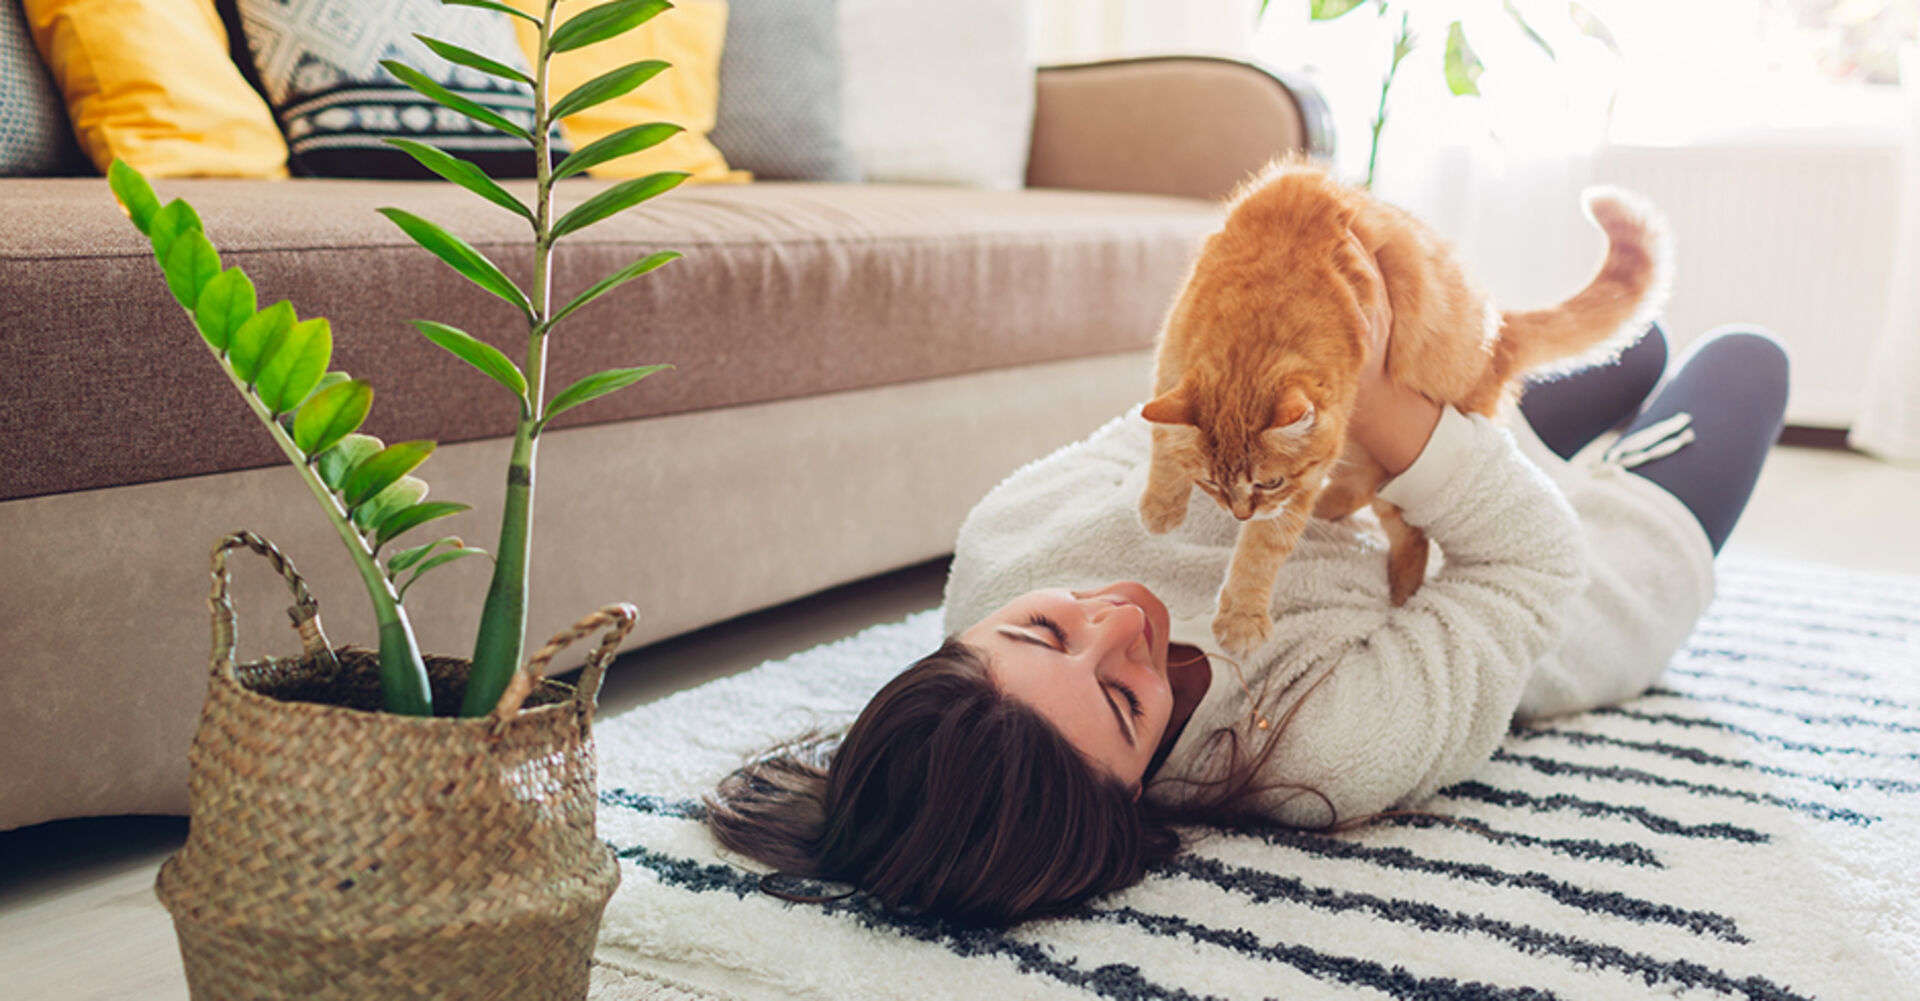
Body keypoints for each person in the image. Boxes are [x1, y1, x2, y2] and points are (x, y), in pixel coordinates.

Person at [705, 255, 1791, 927]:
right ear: (1131, 795)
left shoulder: (1003, 545)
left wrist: (1345, 382)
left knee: (1630, 332)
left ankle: (1474, 404)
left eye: (1046, 624)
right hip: (1536, 567)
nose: (1122, 618)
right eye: (1127, 698)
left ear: (978, 624)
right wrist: (1388, 409)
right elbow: (1529, 561)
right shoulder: (1324, 752)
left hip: (1366, 470)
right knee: (1747, 358)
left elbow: (1166, 419)